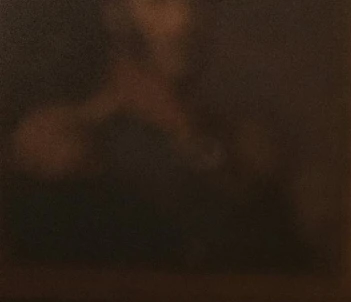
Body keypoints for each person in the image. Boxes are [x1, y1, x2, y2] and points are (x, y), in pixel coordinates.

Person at [5, 0, 310, 275]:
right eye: (158, 2)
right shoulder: (58, 141)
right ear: (114, 13)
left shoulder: (242, 141)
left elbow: (285, 271)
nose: (185, 20)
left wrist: (188, 134)